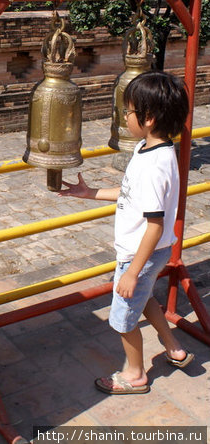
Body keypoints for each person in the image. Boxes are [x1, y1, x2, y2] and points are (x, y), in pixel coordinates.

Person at [59, 71, 194, 394]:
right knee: (144, 298)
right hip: (150, 251)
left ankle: (134, 374)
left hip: (141, 254)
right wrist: (89, 193)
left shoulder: (153, 166)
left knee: (122, 318)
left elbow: (155, 223)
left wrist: (132, 272)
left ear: (147, 118)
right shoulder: (151, 150)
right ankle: (173, 345)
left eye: (127, 112)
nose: (124, 117)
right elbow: (130, 194)